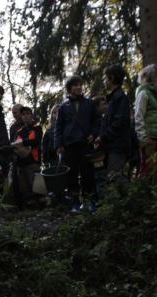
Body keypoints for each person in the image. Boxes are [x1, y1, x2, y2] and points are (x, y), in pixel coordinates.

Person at [54, 76, 98, 212]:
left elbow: (97, 122)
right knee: (71, 175)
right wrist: (58, 145)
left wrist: (94, 134)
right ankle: (75, 203)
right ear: (69, 88)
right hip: (69, 145)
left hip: (85, 143)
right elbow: (58, 127)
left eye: (80, 84)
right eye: (75, 85)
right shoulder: (63, 106)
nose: (78, 87)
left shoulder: (89, 104)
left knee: (87, 173)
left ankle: (89, 201)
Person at [96, 63, 133, 191]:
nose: (104, 81)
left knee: (115, 176)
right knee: (112, 176)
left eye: (105, 78)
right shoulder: (112, 99)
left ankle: (133, 198)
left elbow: (118, 122)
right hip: (111, 145)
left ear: (111, 78)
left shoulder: (120, 98)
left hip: (117, 145)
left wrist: (104, 137)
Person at [12, 106, 43, 209]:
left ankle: (41, 206)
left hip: (33, 161)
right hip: (21, 162)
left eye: (28, 114)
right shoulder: (19, 131)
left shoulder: (37, 127)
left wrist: (23, 142)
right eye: (23, 114)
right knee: (24, 187)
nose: (25, 116)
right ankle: (29, 208)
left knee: (36, 185)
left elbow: (36, 141)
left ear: (31, 115)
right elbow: (15, 145)